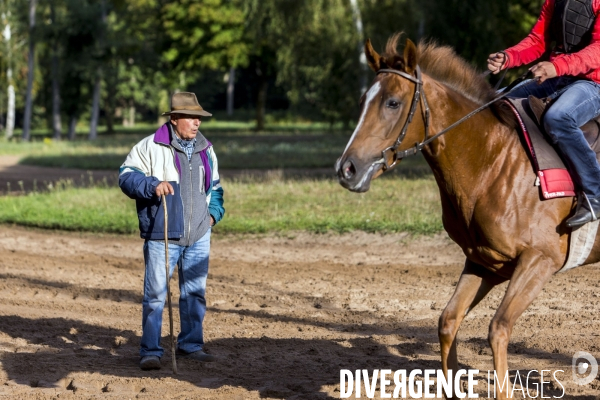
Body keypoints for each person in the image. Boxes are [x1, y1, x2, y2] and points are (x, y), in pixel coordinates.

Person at [119, 92, 225, 370]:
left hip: (199, 234)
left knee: (195, 293)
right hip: (162, 233)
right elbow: (126, 176)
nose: (197, 123)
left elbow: (215, 188)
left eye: (199, 118)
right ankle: (150, 351)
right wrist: (152, 185)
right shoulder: (149, 146)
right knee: (155, 294)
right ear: (175, 119)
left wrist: (212, 216)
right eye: (191, 117)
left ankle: (190, 345)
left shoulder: (206, 149)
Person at [488, 0, 600, 228]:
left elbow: (598, 49)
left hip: (593, 83)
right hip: (557, 77)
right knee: (492, 104)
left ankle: (595, 194)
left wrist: (558, 66)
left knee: (558, 117)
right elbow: (538, 41)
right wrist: (508, 57)